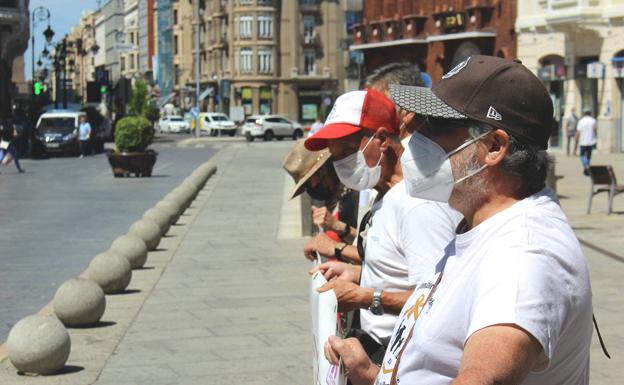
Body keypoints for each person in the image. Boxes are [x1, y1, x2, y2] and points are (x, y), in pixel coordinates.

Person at [325, 55, 593, 385]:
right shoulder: (479, 224)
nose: (412, 133)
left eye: (435, 125)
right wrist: (374, 375)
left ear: (494, 146)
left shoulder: (522, 256)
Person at [305, 88, 461, 365]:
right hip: (383, 348)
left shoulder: (417, 205)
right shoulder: (386, 194)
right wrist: (357, 272)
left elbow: (441, 299)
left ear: (380, 139)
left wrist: (366, 297)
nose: (341, 163)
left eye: (348, 150)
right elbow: (402, 268)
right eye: (335, 155)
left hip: (404, 355)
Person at [282, 140, 358, 245]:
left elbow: (370, 247)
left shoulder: (356, 193)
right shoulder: (334, 196)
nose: (309, 189)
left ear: (322, 170)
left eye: (307, 183)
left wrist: (337, 226)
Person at [576, 109, 597, 175]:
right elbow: (595, 130)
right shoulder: (593, 120)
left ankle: (586, 164)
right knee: (589, 155)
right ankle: (587, 165)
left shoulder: (581, 121)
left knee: (582, 155)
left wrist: (577, 139)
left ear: (584, 114)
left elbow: (578, 132)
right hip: (591, 141)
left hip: (583, 141)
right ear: (590, 113)